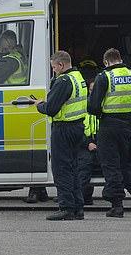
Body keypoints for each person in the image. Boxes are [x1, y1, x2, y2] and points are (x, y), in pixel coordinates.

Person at [88, 48, 131, 218]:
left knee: (111, 166)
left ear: (106, 62)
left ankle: (117, 206)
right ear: (121, 59)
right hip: (128, 127)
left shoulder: (104, 77)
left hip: (108, 127)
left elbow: (93, 107)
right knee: (129, 165)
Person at [34, 51, 87, 220]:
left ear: (61, 65)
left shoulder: (63, 81)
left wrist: (40, 105)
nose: (54, 70)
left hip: (63, 129)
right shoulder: (78, 77)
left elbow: (51, 109)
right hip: (77, 127)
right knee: (73, 168)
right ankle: (78, 208)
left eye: (54, 67)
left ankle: (66, 208)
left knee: (61, 169)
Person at [78, 80, 100, 205]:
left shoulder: (104, 105)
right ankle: (82, 198)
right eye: (91, 90)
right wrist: (88, 143)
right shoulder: (81, 106)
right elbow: (76, 130)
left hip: (102, 142)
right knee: (84, 166)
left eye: (95, 90)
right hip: (85, 144)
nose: (93, 93)